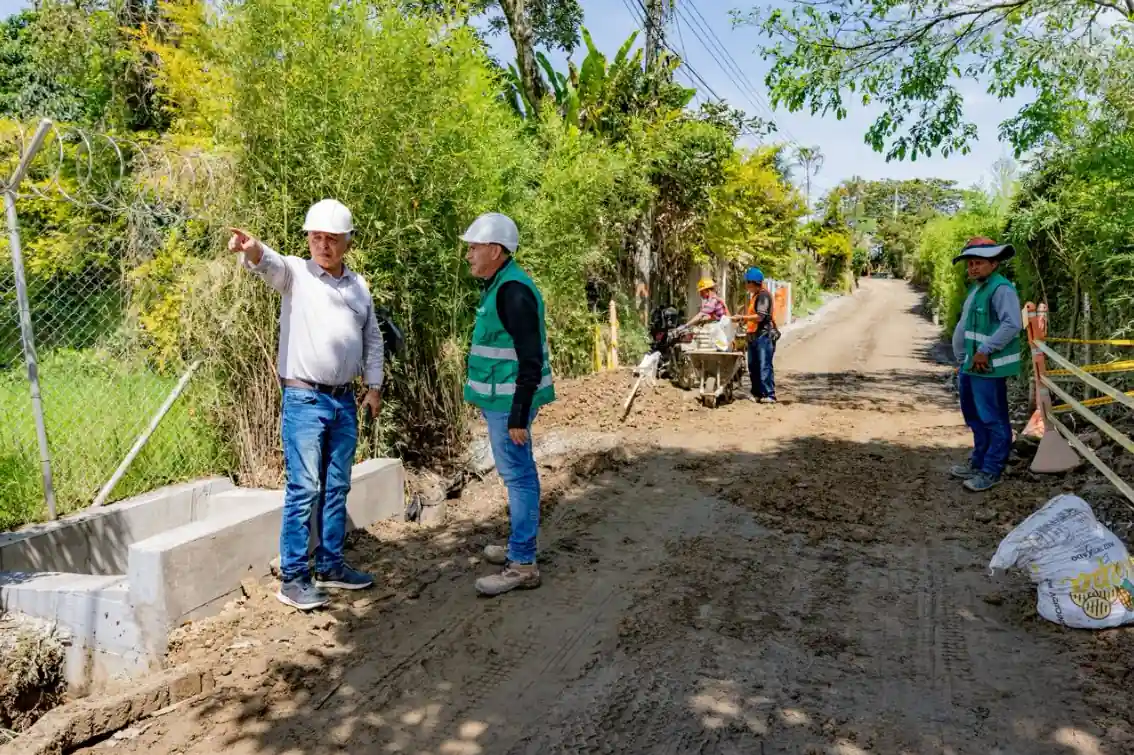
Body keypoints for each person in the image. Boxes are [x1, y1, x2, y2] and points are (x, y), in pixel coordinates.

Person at [228, 199, 383, 611]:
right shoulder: (295, 273)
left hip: (344, 400)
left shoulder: (358, 286)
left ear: (347, 243)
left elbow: (372, 338)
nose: (323, 246)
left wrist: (374, 385)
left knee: (336, 486)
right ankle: (295, 577)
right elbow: (269, 264)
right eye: (316, 237)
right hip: (305, 397)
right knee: (304, 488)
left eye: (332, 239)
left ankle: (331, 564)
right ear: (308, 239)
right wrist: (253, 249)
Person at [461, 212, 556, 597]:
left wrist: (518, 414)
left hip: (509, 403)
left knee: (518, 477)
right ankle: (520, 546)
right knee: (517, 475)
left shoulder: (512, 291)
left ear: (496, 250)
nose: (468, 254)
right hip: (502, 400)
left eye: (474, 247)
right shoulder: (501, 283)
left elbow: (529, 358)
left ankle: (522, 563)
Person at [950, 237, 1023, 493]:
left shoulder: (1001, 289)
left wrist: (985, 350)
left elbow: (1012, 324)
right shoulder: (978, 289)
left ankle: (992, 470)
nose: (973, 268)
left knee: (993, 419)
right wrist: (963, 361)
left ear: (994, 264)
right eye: (970, 264)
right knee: (974, 417)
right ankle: (978, 462)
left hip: (986, 368)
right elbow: (967, 328)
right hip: (970, 366)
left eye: (978, 263)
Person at [732, 267, 777, 403]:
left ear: (753, 282)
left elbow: (760, 317)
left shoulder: (763, 296)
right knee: (753, 366)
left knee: (764, 365)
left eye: (747, 283)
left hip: (763, 335)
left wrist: (742, 318)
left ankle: (769, 394)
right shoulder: (755, 296)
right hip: (754, 335)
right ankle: (757, 393)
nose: (746, 286)